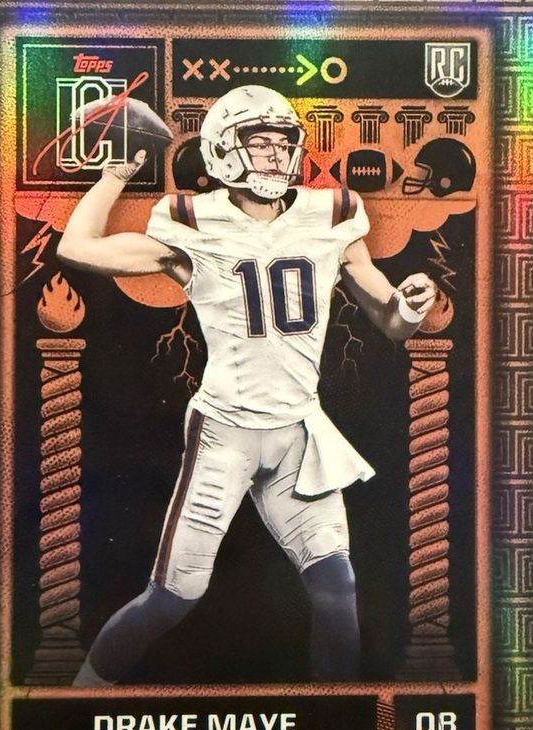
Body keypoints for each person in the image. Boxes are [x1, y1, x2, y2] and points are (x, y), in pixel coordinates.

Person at [57, 85, 436, 687]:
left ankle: (337, 722)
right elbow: (76, 247)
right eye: (258, 142)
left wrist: (409, 305)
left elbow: (390, 323)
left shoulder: (330, 214)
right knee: (171, 598)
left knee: (337, 588)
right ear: (221, 151)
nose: (274, 155)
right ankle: (82, 699)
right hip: (225, 434)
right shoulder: (193, 223)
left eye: (283, 142)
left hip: (298, 433)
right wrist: (113, 177)